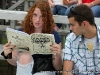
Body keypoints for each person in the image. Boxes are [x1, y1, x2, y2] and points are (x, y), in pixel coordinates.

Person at [1, 0, 62, 75]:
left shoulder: (54, 35)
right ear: (31, 15)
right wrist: (8, 55)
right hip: (26, 67)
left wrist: (58, 55)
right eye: (35, 15)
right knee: (24, 56)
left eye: (42, 16)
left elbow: (58, 67)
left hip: (44, 69)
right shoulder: (21, 31)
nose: (37, 20)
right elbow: (14, 61)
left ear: (47, 18)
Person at [62, 4, 100, 75]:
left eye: (72, 25)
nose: (70, 28)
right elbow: (67, 72)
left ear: (84, 24)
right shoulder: (70, 39)